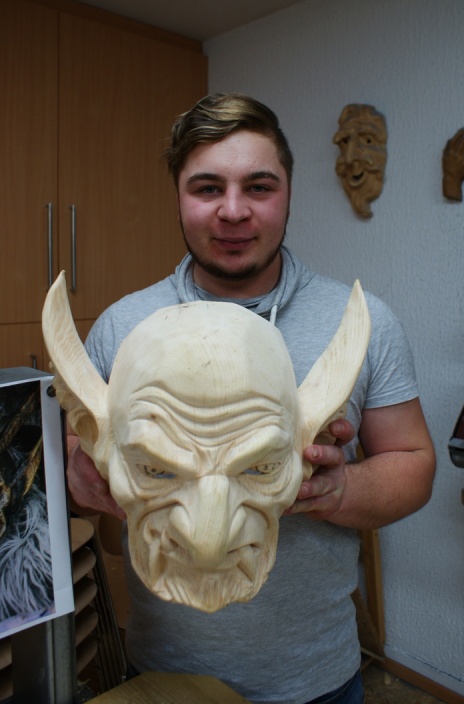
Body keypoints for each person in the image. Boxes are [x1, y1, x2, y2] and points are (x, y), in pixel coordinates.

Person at [66, 93, 436, 704]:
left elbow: (415, 465)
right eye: (207, 188)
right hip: (165, 676)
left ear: (288, 193)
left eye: (259, 187)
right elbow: (81, 473)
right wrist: (81, 473)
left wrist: (339, 489)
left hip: (317, 678)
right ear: (178, 196)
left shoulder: (361, 324)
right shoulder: (119, 328)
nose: (233, 211)